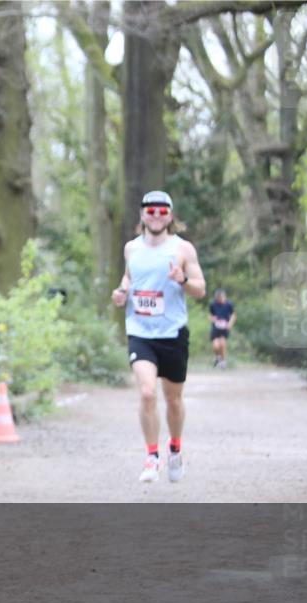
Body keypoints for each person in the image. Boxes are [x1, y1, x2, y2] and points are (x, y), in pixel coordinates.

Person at [111, 191, 206, 483]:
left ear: (170, 216)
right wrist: (121, 291)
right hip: (140, 332)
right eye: (150, 210)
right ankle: (152, 457)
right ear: (142, 215)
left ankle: (174, 448)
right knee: (147, 392)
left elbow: (200, 289)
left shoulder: (183, 249)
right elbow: (129, 277)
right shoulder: (131, 249)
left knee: (173, 400)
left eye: (162, 211)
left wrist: (183, 280)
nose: (156, 215)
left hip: (173, 333)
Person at [209, 289, 236, 369]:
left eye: (222, 298)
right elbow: (211, 315)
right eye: (219, 298)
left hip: (225, 327)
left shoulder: (229, 304)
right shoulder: (213, 304)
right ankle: (218, 358)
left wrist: (230, 324)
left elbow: (233, 315)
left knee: (223, 344)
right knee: (216, 346)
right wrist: (213, 319)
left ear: (224, 297)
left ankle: (223, 362)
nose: (221, 300)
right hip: (216, 327)